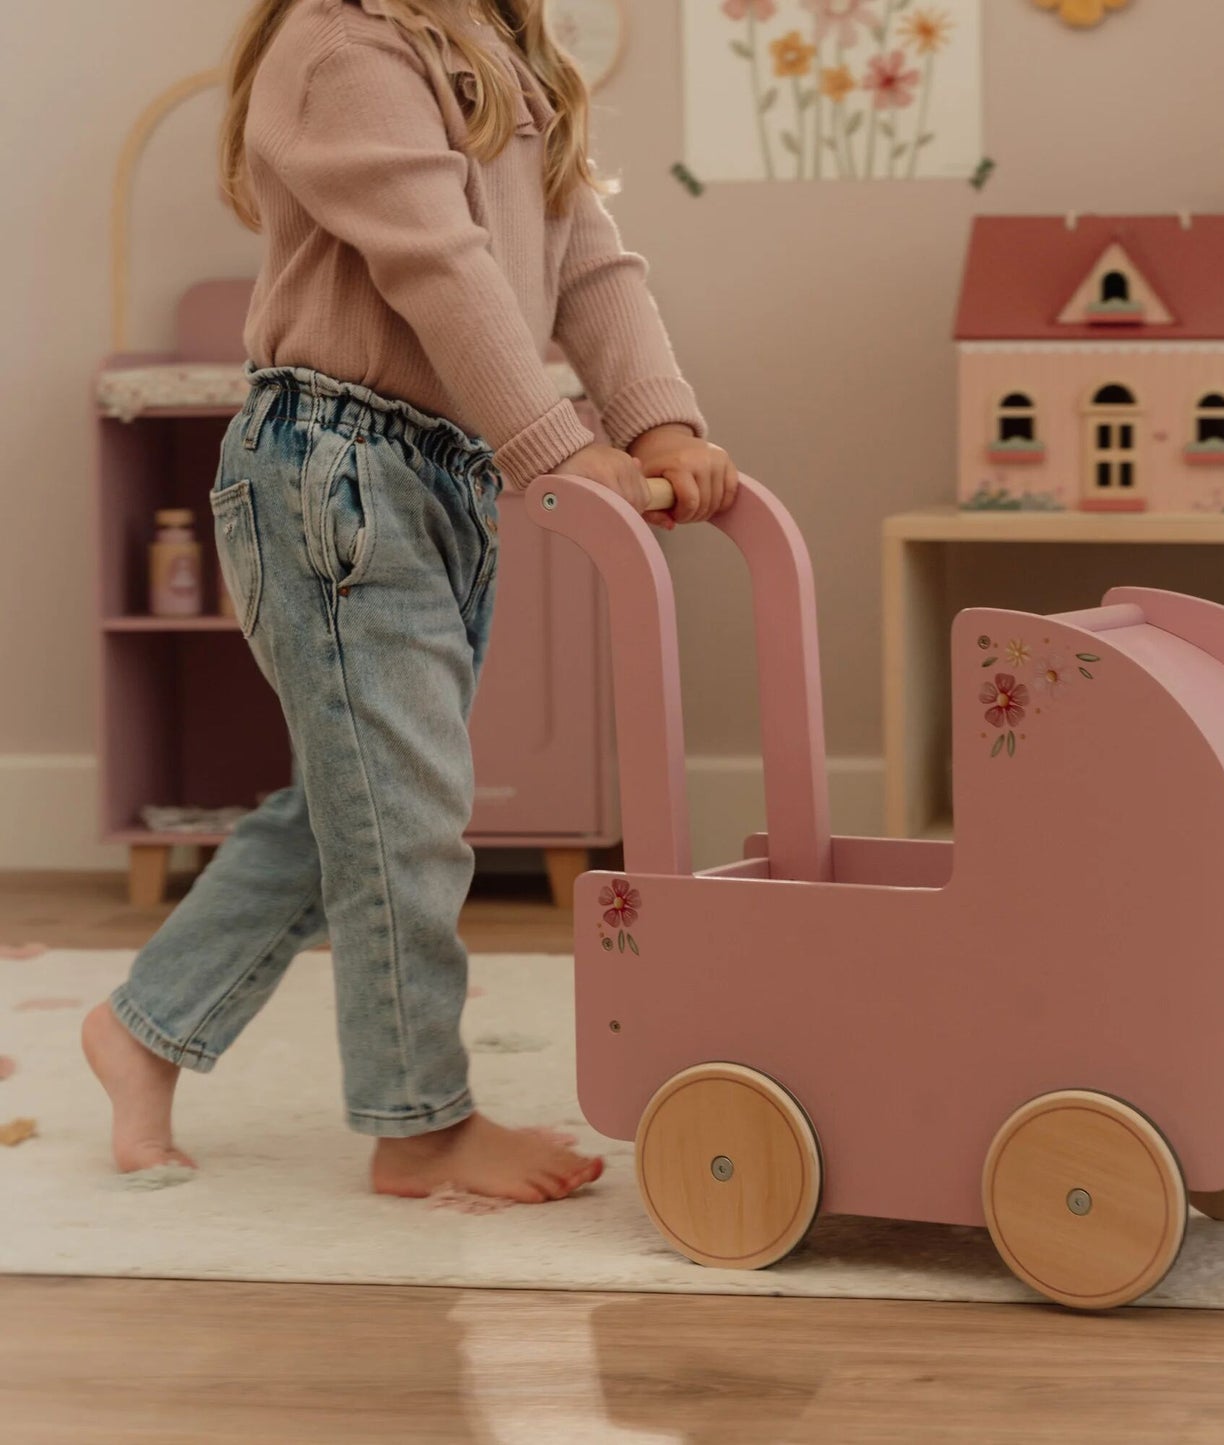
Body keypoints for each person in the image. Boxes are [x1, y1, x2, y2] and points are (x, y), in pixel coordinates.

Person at [83, 0, 737, 1204]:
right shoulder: (343, 49)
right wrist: (555, 441)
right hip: (331, 467)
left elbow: (586, 257)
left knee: (368, 802)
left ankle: (144, 1025)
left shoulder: (502, 53)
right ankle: (418, 1121)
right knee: (401, 813)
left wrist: (658, 420)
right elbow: (437, 262)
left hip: (438, 471)